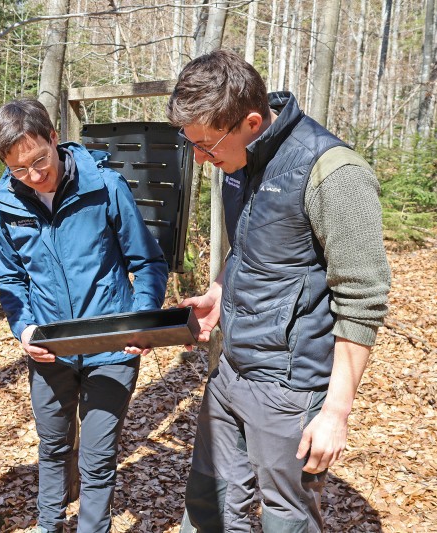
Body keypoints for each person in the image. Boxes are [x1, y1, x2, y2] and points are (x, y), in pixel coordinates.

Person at [167, 49, 391, 531]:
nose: (201, 158)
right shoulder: (236, 161)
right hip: (231, 371)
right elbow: (249, 248)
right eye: (192, 144)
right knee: (209, 503)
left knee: (286, 518)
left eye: (206, 145)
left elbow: (363, 299)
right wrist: (218, 294)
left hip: (289, 386)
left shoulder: (332, 172)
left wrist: (335, 412)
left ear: (251, 122)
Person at [0, 98, 169, 532]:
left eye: (39, 160)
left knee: (98, 457)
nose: (34, 176)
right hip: (50, 349)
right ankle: (48, 525)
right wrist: (25, 330)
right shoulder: (7, 205)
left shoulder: (104, 186)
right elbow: (10, 279)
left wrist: (141, 320)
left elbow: (147, 262)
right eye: (19, 169)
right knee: (53, 448)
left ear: (54, 138)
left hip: (112, 348)